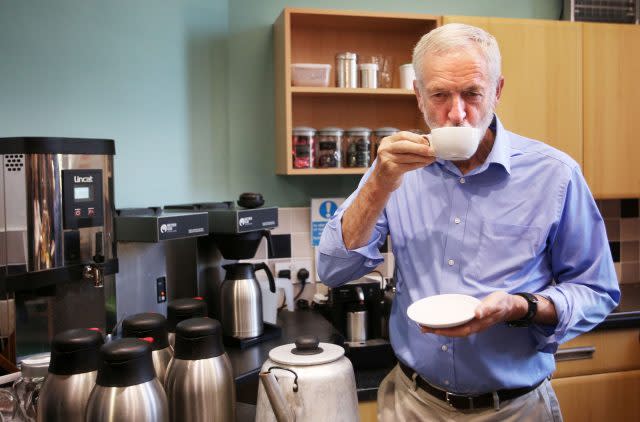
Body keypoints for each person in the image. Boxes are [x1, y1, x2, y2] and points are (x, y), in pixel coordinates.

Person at [317, 23, 619, 422]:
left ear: (497, 91)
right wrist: (378, 184)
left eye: (472, 93)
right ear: (419, 96)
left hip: (516, 409)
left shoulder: (555, 175)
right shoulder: (392, 170)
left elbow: (596, 291)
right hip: (412, 404)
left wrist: (522, 306)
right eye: (440, 95)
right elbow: (334, 270)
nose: (456, 114)